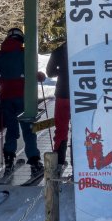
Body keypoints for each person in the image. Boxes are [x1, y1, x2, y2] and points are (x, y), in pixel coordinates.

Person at [0, 27, 42, 182]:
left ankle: (9, 161)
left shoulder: (0, 55)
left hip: (6, 97)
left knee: (11, 129)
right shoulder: (24, 53)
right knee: (28, 129)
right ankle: (34, 162)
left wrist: (4, 82)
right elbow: (32, 73)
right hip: (23, 97)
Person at [43, 39, 70, 176]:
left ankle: (59, 162)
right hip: (81, 95)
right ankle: (80, 163)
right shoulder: (83, 49)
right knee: (81, 129)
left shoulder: (58, 52)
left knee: (61, 130)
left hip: (62, 94)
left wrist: (61, 71)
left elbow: (50, 72)